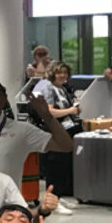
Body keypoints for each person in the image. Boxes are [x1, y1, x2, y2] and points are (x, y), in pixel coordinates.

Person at [0, 78, 72, 188]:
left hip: (7, 206)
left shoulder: (22, 130)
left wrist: (47, 117)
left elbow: (66, 146)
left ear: (5, 98)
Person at [32, 61, 80, 205]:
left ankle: (60, 196)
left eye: (65, 73)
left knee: (63, 165)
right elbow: (49, 112)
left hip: (66, 129)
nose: (62, 76)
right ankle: (52, 198)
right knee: (55, 166)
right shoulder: (46, 86)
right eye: (59, 72)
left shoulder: (62, 88)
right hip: (53, 130)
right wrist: (70, 110)